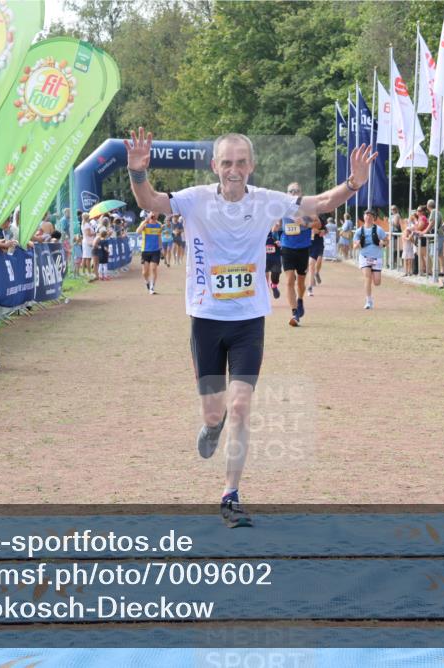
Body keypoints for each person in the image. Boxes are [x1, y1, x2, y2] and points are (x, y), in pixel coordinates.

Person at [124, 127, 375, 528]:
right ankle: (211, 425)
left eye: (241, 162)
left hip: (248, 322)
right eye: (227, 162)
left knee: (240, 406)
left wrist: (352, 183)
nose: (234, 169)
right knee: (214, 413)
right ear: (215, 166)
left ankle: (230, 495)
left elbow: (320, 202)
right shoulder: (194, 200)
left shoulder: (266, 202)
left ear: (252, 166)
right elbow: (151, 200)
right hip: (206, 320)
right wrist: (138, 173)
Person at [279, 182, 313, 326]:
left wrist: (304, 222)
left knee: (300, 282)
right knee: (289, 280)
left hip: (303, 248)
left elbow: (317, 224)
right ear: (287, 193)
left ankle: (300, 299)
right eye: (291, 191)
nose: (294, 193)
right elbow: (276, 223)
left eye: (296, 191)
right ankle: (294, 313)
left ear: (301, 193)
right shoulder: (282, 208)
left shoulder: (307, 207)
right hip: (287, 247)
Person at [353, 209, 387, 309]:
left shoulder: (379, 230)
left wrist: (383, 243)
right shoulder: (359, 231)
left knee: (377, 282)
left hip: (377, 256)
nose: (368, 218)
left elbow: (386, 241)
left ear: (373, 218)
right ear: (363, 217)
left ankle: (372, 274)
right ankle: (368, 300)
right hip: (364, 256)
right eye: (366, 216)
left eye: (370, 216)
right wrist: (357, 244)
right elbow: (354, 245)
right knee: (367, 278)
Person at [135, 211, 163, 293]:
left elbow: (159, 237)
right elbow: (137, 232)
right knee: (144, 272)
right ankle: (147, 282)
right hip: (145, 250)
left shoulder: (159, 225)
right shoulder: (145, 224)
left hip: (155, 250)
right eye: (153, 213)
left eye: (156, 213)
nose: (155, 214)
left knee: (154, 269)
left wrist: (161, 248)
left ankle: (152, 287)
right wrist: (145, 221)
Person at [306, 215, 325, 296]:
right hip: (304, 244)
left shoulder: (319, 219)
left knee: (311, 264)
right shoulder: (303, 218)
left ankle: (310, 287)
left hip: (316, 245)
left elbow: (325, 230)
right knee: (306, 266)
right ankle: (311, 276)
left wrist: (320, 232)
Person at [265, 221, 282, 299]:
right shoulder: (263, 231)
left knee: (276, 273)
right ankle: (265, 293)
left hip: (275, 258)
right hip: (264, 258)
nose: (276, 226)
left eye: (278, 225)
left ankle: (274, 285)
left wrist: (280, 243)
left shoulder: (280, 232)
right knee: (264, 276)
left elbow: (284, 243)